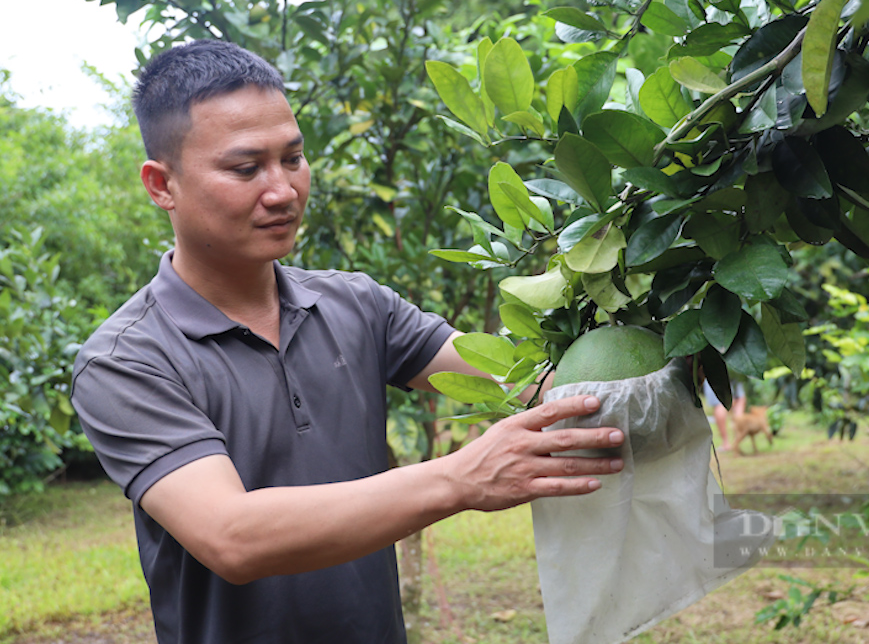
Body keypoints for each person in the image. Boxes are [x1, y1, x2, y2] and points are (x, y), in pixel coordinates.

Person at [69, 40, 624, 644]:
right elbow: (232, 535)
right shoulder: (127, 360)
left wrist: (653, 342)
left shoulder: (355, 304)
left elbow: (520, 375)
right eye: (245, 168)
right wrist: (461, 478)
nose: (283, 190)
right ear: (162, 185)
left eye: (294, 157)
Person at [703, 375, 747, 452]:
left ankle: (726, 443)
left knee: (719, 402)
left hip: (715, 369)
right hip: (734, 368)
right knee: (739, 398)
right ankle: (737, 440)